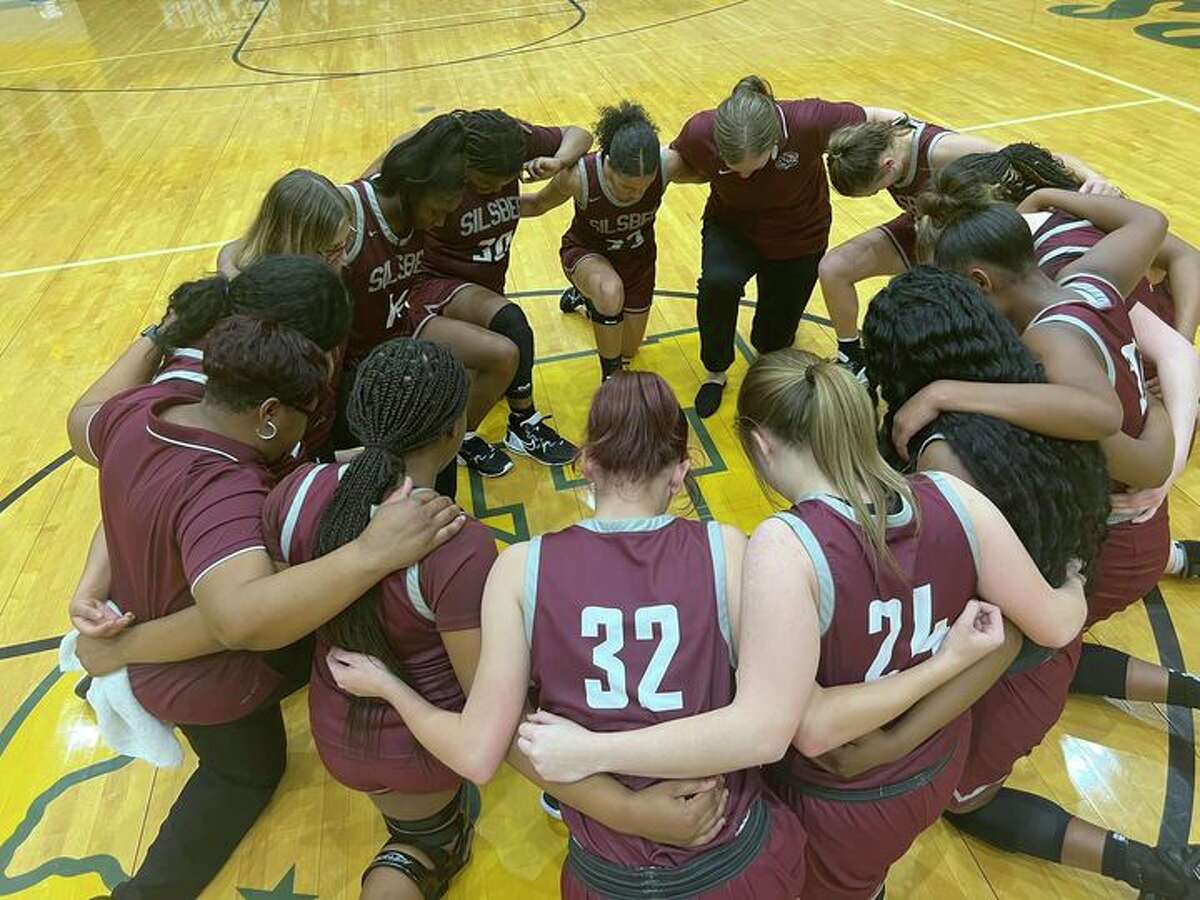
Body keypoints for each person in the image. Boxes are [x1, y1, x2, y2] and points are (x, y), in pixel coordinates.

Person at [367, 352, 1083, 900]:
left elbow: (492, 748)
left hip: (625, 860)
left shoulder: (520, 568)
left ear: (582, 462)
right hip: (790, 825)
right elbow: (1044, 625)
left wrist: (599, 774)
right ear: (683, 472)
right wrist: (1069, 588)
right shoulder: (731, 549)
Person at [264, 343, 729, 897]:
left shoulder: (293, 492)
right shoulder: (457, 545)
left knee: (419, 836)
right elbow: (496, 731)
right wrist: (622, 807)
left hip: (336, 724)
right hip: (424, 749)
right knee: (423, 848)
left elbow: (285, 604)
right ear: (452, 434)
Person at [65, 315, 465, 900]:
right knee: (245, 775)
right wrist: (371, 552)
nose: (308, 434)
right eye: (306, 415)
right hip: (202, 680)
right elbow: (236, 621)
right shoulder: (224, 488)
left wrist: (88, 591)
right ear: (271, 414)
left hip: (137, 613)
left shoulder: (145, 409)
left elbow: (91, 440)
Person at [863, 267, 1200, 896]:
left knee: (967, 798)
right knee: (1063, 655)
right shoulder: (1045, 392)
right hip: (1065, 582)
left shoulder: (945, 457)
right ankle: (1188, 687)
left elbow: (1005, 623)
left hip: (1026, 635)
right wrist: (1150, 405)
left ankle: (1153, 869)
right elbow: (1141, 448)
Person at [906, 180, 1200, 714]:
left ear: (979, 280)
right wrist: (1044, 196)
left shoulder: (1045, 344)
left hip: (1117, 535)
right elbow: (1149, 220)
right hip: (1128, 525)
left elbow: (1119, 432)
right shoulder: (1089, 278)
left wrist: (944, 391)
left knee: (1026, 647)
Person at [67, 256, 354, 661]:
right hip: (198, 651)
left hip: (176, 606)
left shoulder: (227, 393)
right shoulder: (209, 427)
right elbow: (235, 617)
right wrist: (119, 650)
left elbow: (129, 481)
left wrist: (91, 590)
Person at [667, 75, 905, 416]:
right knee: (718, 284)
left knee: (772, 341)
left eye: (754, 168)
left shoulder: (810, 121)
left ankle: (771, 348)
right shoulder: (700, 131)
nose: (746, 177)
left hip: (800, 230)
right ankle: (715, 371)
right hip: (732, 226)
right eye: (736, 170)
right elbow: (672, 163)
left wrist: (924, 151)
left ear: (776, 143)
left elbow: (884, 117)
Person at [820, 121, 1115, 376]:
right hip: (931, 226)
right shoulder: (871, 144)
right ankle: (851, 357)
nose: (877, 194)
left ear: (888, 165)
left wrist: (1093, 178)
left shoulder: (945, 151)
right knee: (834, 267)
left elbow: (1031, 159)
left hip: (975, 235)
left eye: (874, 189)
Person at [403, 108, 592, 467]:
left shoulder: (510, 141)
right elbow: (387, 170)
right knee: (513, 325)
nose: (494, 191)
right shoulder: (435, 171)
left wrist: (558, 162)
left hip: (482, 287)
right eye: (485, 184)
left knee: (500, 353)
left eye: (502, 183)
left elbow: (579, 133)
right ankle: (509, 426)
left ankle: (482, 428)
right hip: (432, 283)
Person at [340, 115, 520, 486]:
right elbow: (243, 253)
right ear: (413, 187)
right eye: (437, 211)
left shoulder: (421, 216)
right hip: (350, 368)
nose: (440, 223)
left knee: (442, 437)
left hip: (397, 343)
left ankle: (456, 452)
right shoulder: (349, 211)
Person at [522, 101, 688, 382]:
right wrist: (484, 208)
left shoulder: (668, 165)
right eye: (626, 186)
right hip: (587, 254)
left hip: (637, 261)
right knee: (610, 291)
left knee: (628, 349)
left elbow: (712, 171)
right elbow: (537, 204)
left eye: (643, 187)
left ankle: (586, 299)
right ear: (608, 163)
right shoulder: (578, 177)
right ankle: (611, 380)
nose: (635, 194)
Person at [216, 168, 353, 278]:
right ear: (289, 239)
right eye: (332, 249)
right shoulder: (242, 280)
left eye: (346, 241)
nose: (345, 258)